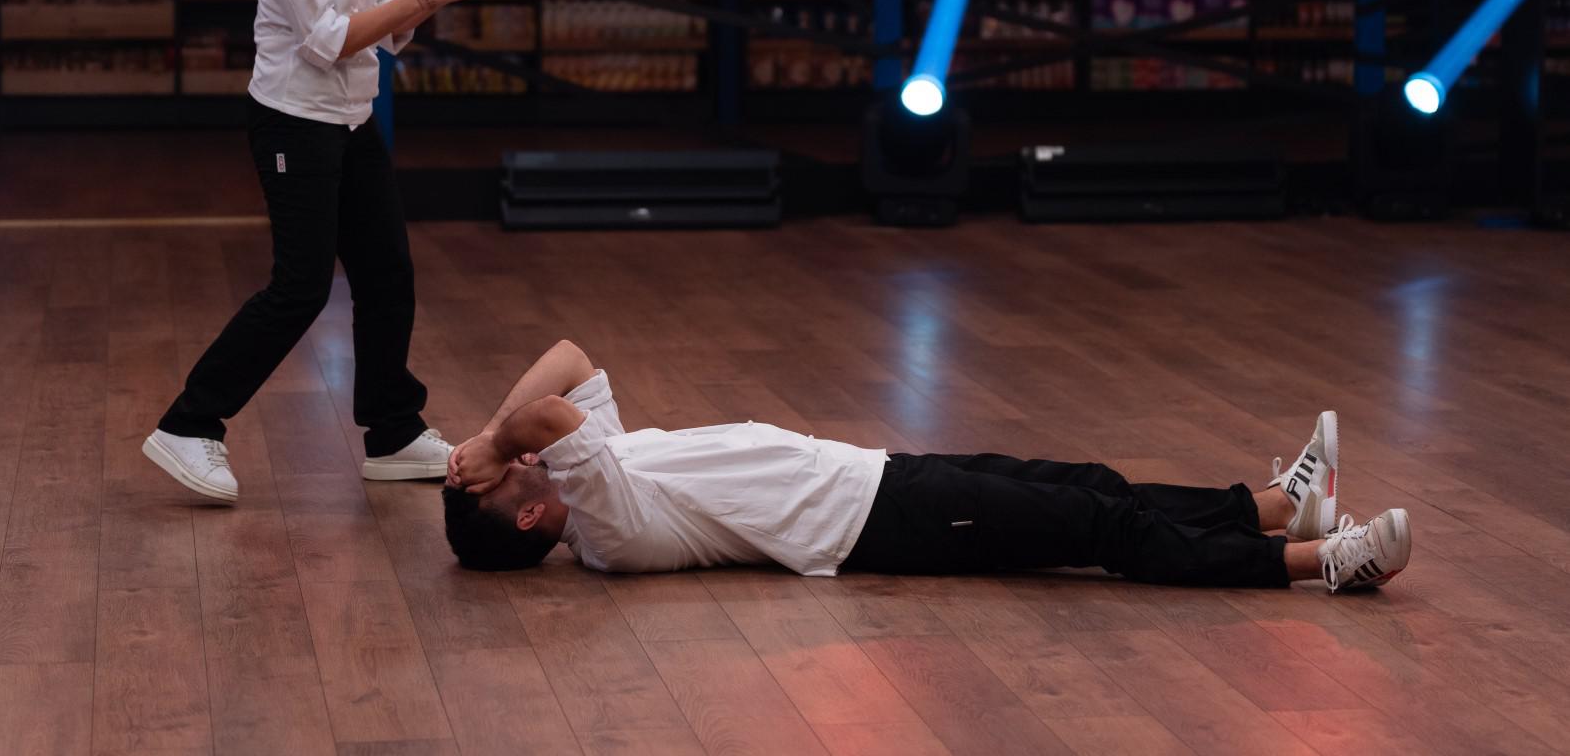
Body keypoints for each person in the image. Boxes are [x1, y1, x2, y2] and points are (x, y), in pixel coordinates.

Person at [142, 0, 508, 502]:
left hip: (352, 116)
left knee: (387, 272)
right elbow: (329, 40)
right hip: (294, 119)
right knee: (301, 287)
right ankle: (189, 423)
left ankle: (393, 432)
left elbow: (384, 19)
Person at [442, 341, 1412, 593]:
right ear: (525, 516)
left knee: (1093, 486)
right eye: (503, 478)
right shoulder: (603, 526)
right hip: (881, 522)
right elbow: (548, 411)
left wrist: (488, 442)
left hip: (881, 476)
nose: (514, 460)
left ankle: (1272, 508)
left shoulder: (589, 471)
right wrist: (490, 443)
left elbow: (572, 359)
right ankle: (1319, 565)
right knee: (1098, 531)